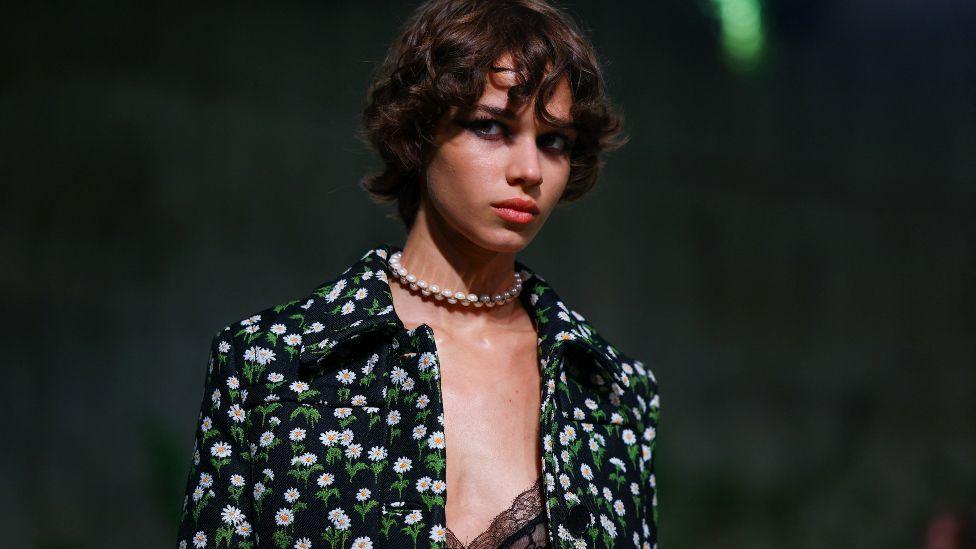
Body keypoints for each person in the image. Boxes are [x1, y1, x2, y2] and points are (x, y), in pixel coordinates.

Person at [175, 1, 660, 547]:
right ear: (418, 133)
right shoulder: (273, 367)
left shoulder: (611, 391)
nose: (528, 170)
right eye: (490, 127)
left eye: (554, 141)